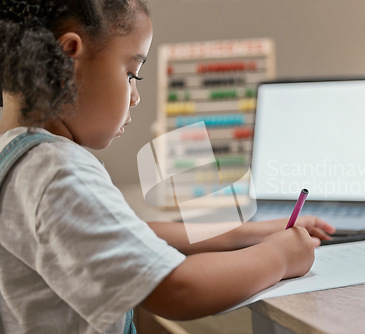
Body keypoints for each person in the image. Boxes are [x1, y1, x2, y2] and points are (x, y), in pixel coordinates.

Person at [0, 1, 336, 333]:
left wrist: (251, 233)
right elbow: (177, 289)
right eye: (131, 73)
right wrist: (280, 257)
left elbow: (132, 232)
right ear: (70, 57)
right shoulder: (58, 172)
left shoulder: (20, 160)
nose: (136, 96)